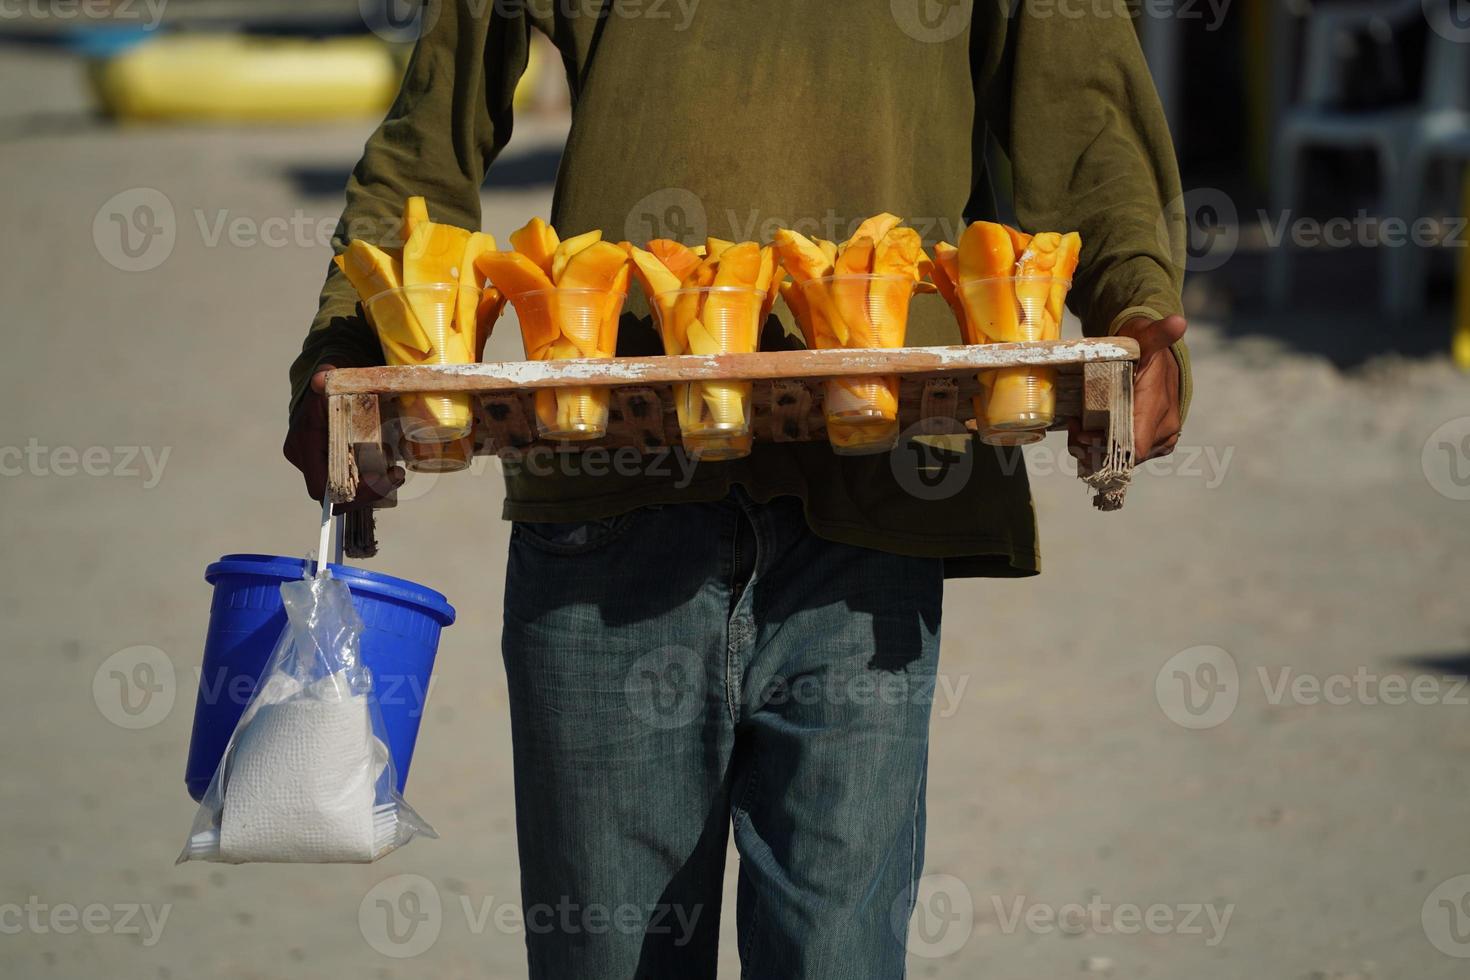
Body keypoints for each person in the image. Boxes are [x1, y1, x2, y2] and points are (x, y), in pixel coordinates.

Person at [284, 2, 1191, 976]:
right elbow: (430, 136)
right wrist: (344, 346)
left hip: (871, 505)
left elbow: (1082, 99)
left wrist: (1135, 305)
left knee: (836, 956)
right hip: (612, 500)